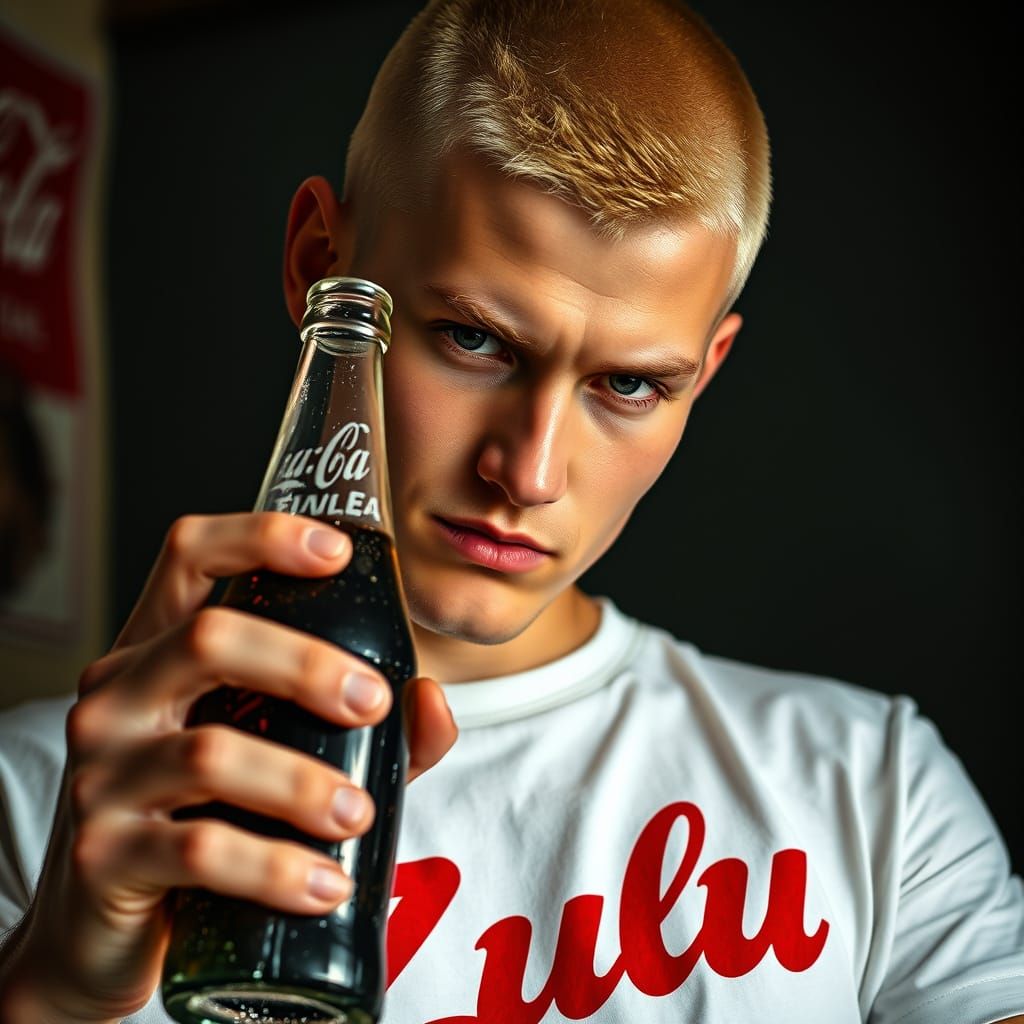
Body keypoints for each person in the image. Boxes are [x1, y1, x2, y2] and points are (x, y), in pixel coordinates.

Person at [1, 0, 1022, 1021]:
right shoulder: (37, 801)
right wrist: (48, 993)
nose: (528, 472)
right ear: (321, 267)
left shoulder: (871, 793)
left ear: (705, 374)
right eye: (472, 340)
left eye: (629, 386)